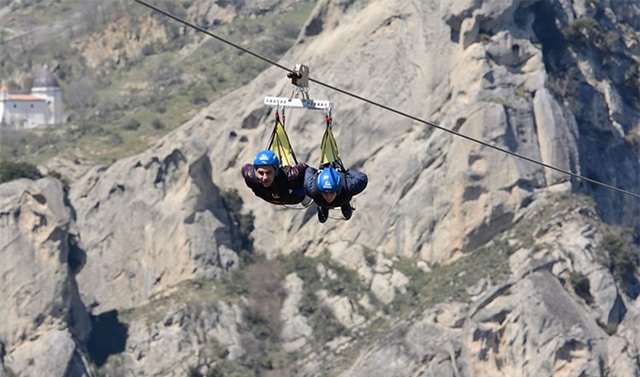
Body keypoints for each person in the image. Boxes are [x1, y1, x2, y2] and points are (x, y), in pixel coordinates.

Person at [241, 150, 309, 205]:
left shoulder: (290, 176)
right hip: (275, 198)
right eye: (261, 173)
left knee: (308, 186)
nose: (265, 177)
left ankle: (308, 194)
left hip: (294, 197)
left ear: (276, 171)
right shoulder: (250, 177)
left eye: (268, 172)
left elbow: (305, 167)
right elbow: (245, 168)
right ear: (256, 172)